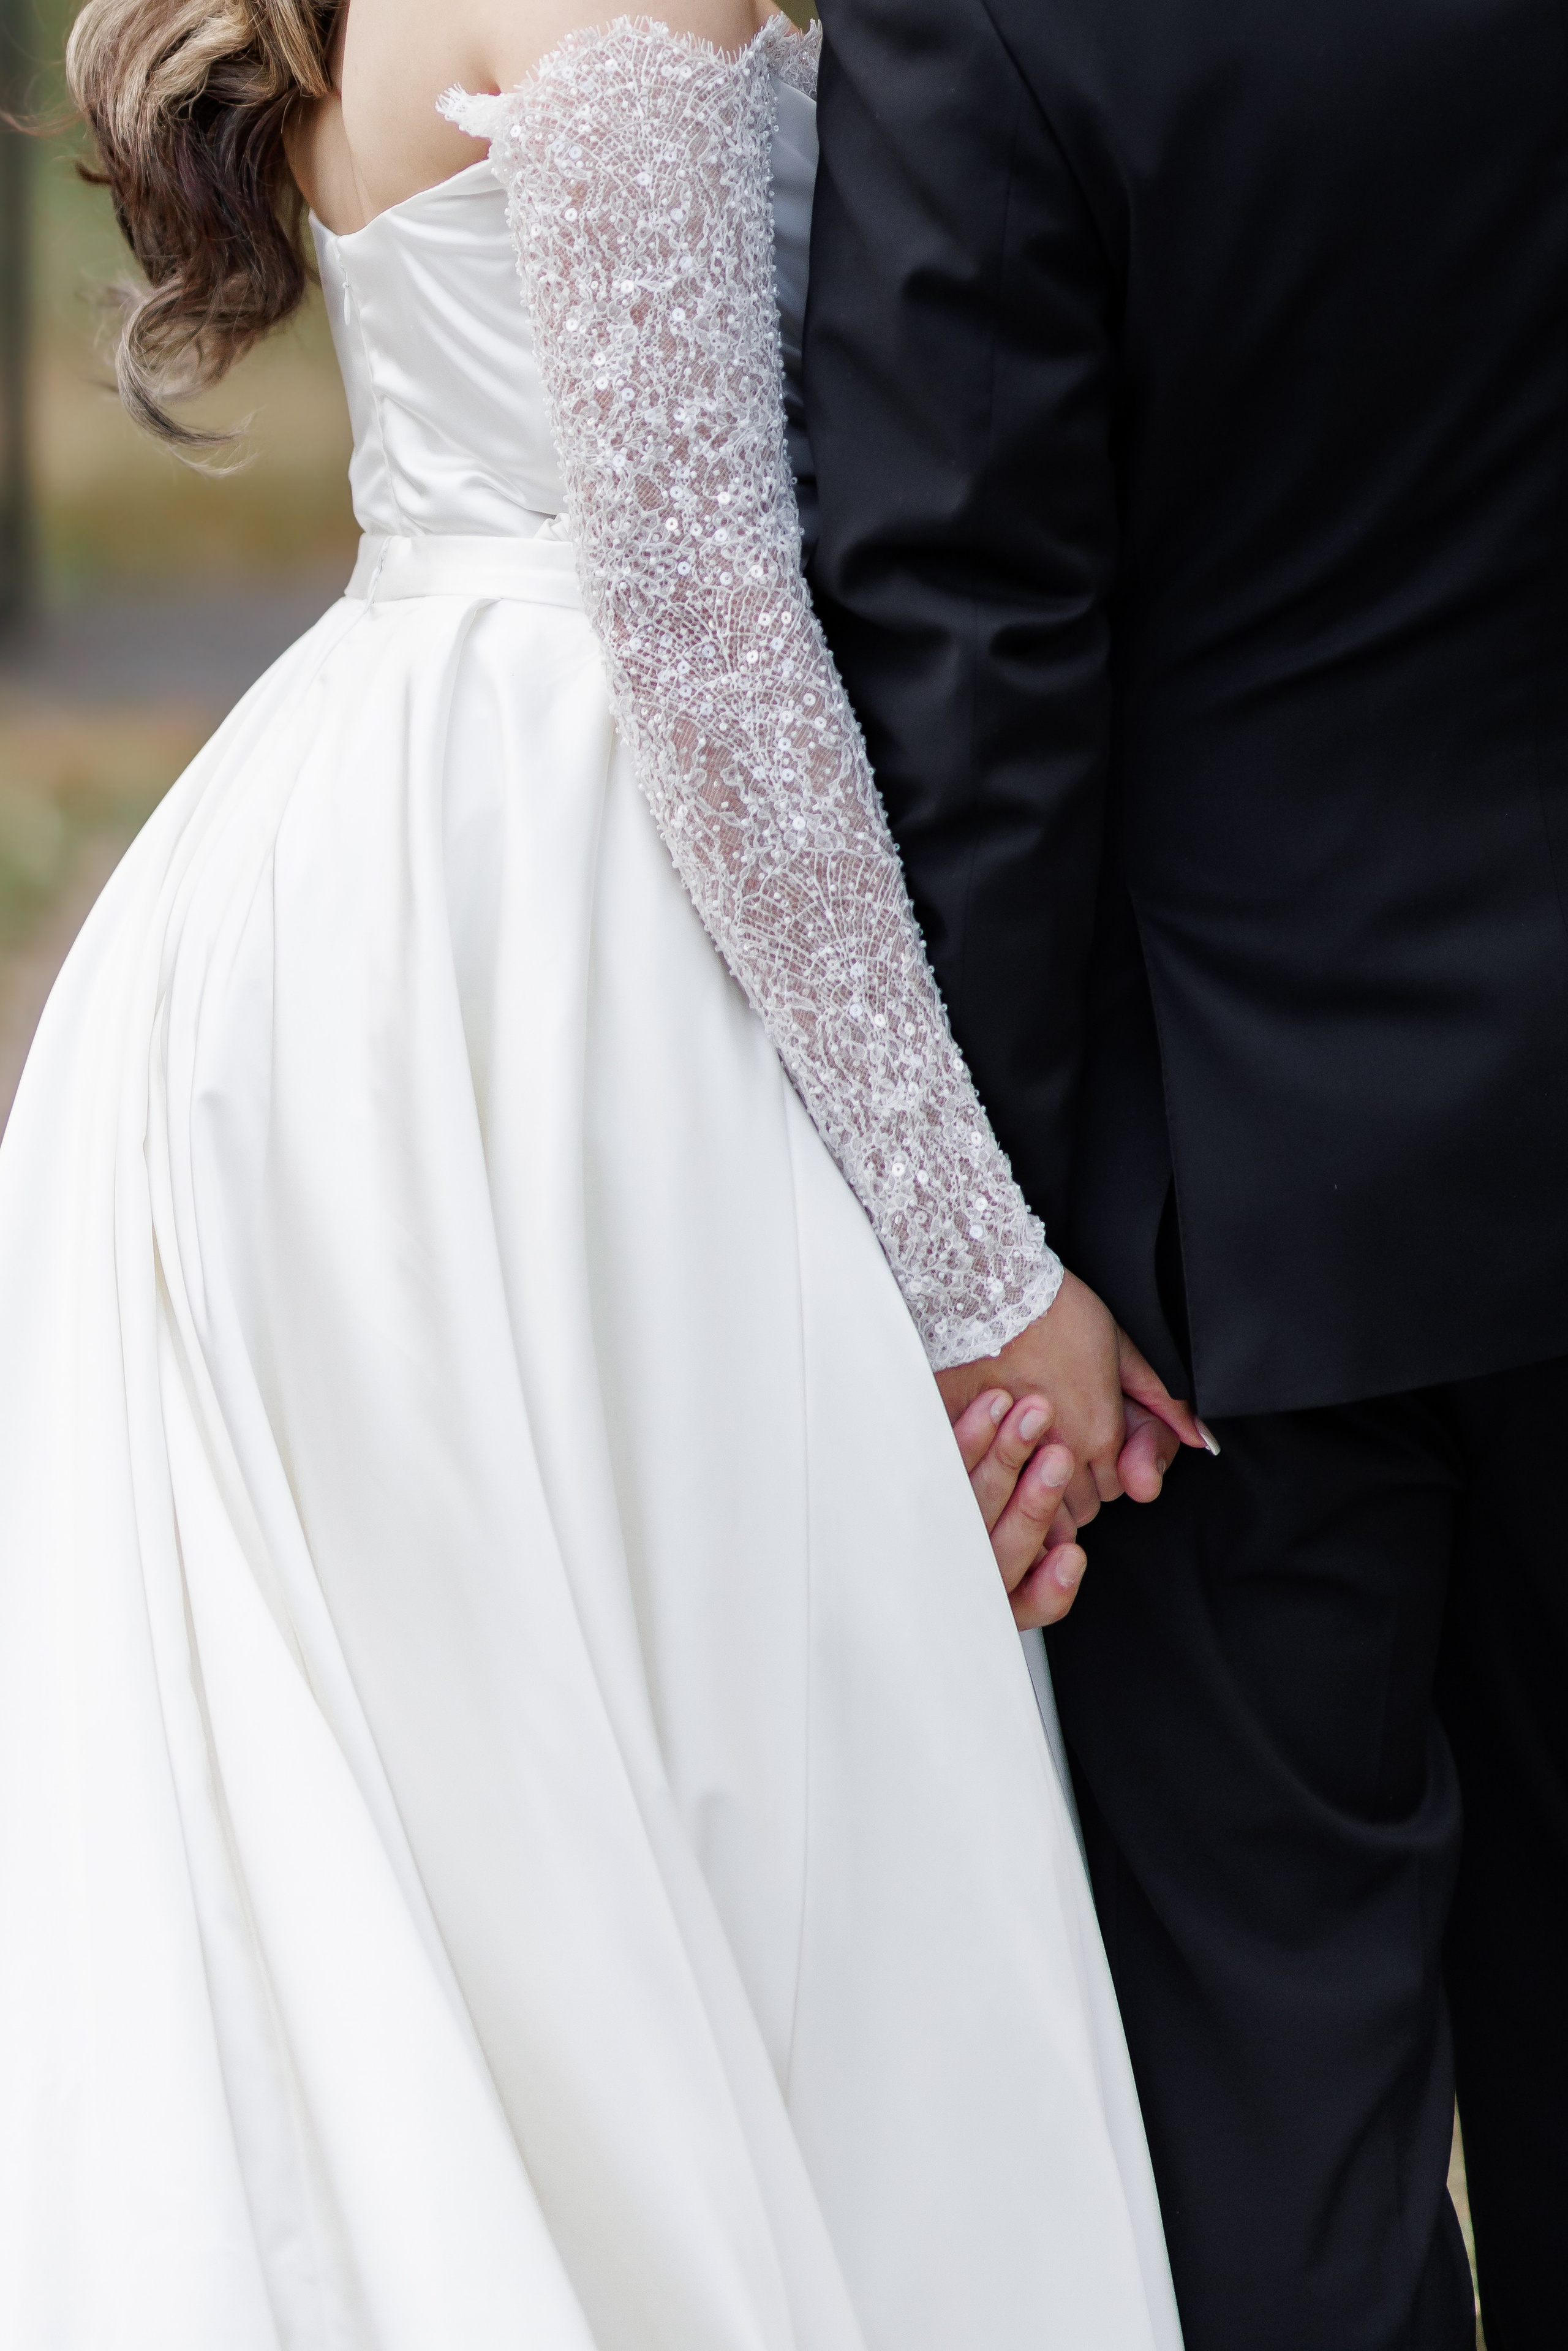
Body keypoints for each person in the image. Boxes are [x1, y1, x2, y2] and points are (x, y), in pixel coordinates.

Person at [0, 1, 1207, 2342]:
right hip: (567, 918)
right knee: (655, 1788)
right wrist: (982, 1283)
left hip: (386, 840)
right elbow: (706, 630)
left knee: (480, 1806)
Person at [805, 2, 1568, 2345]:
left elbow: (971, 666)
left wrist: (1006, 1252)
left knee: (1286, 2088)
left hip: (1222, 1231)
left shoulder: (994, 24)